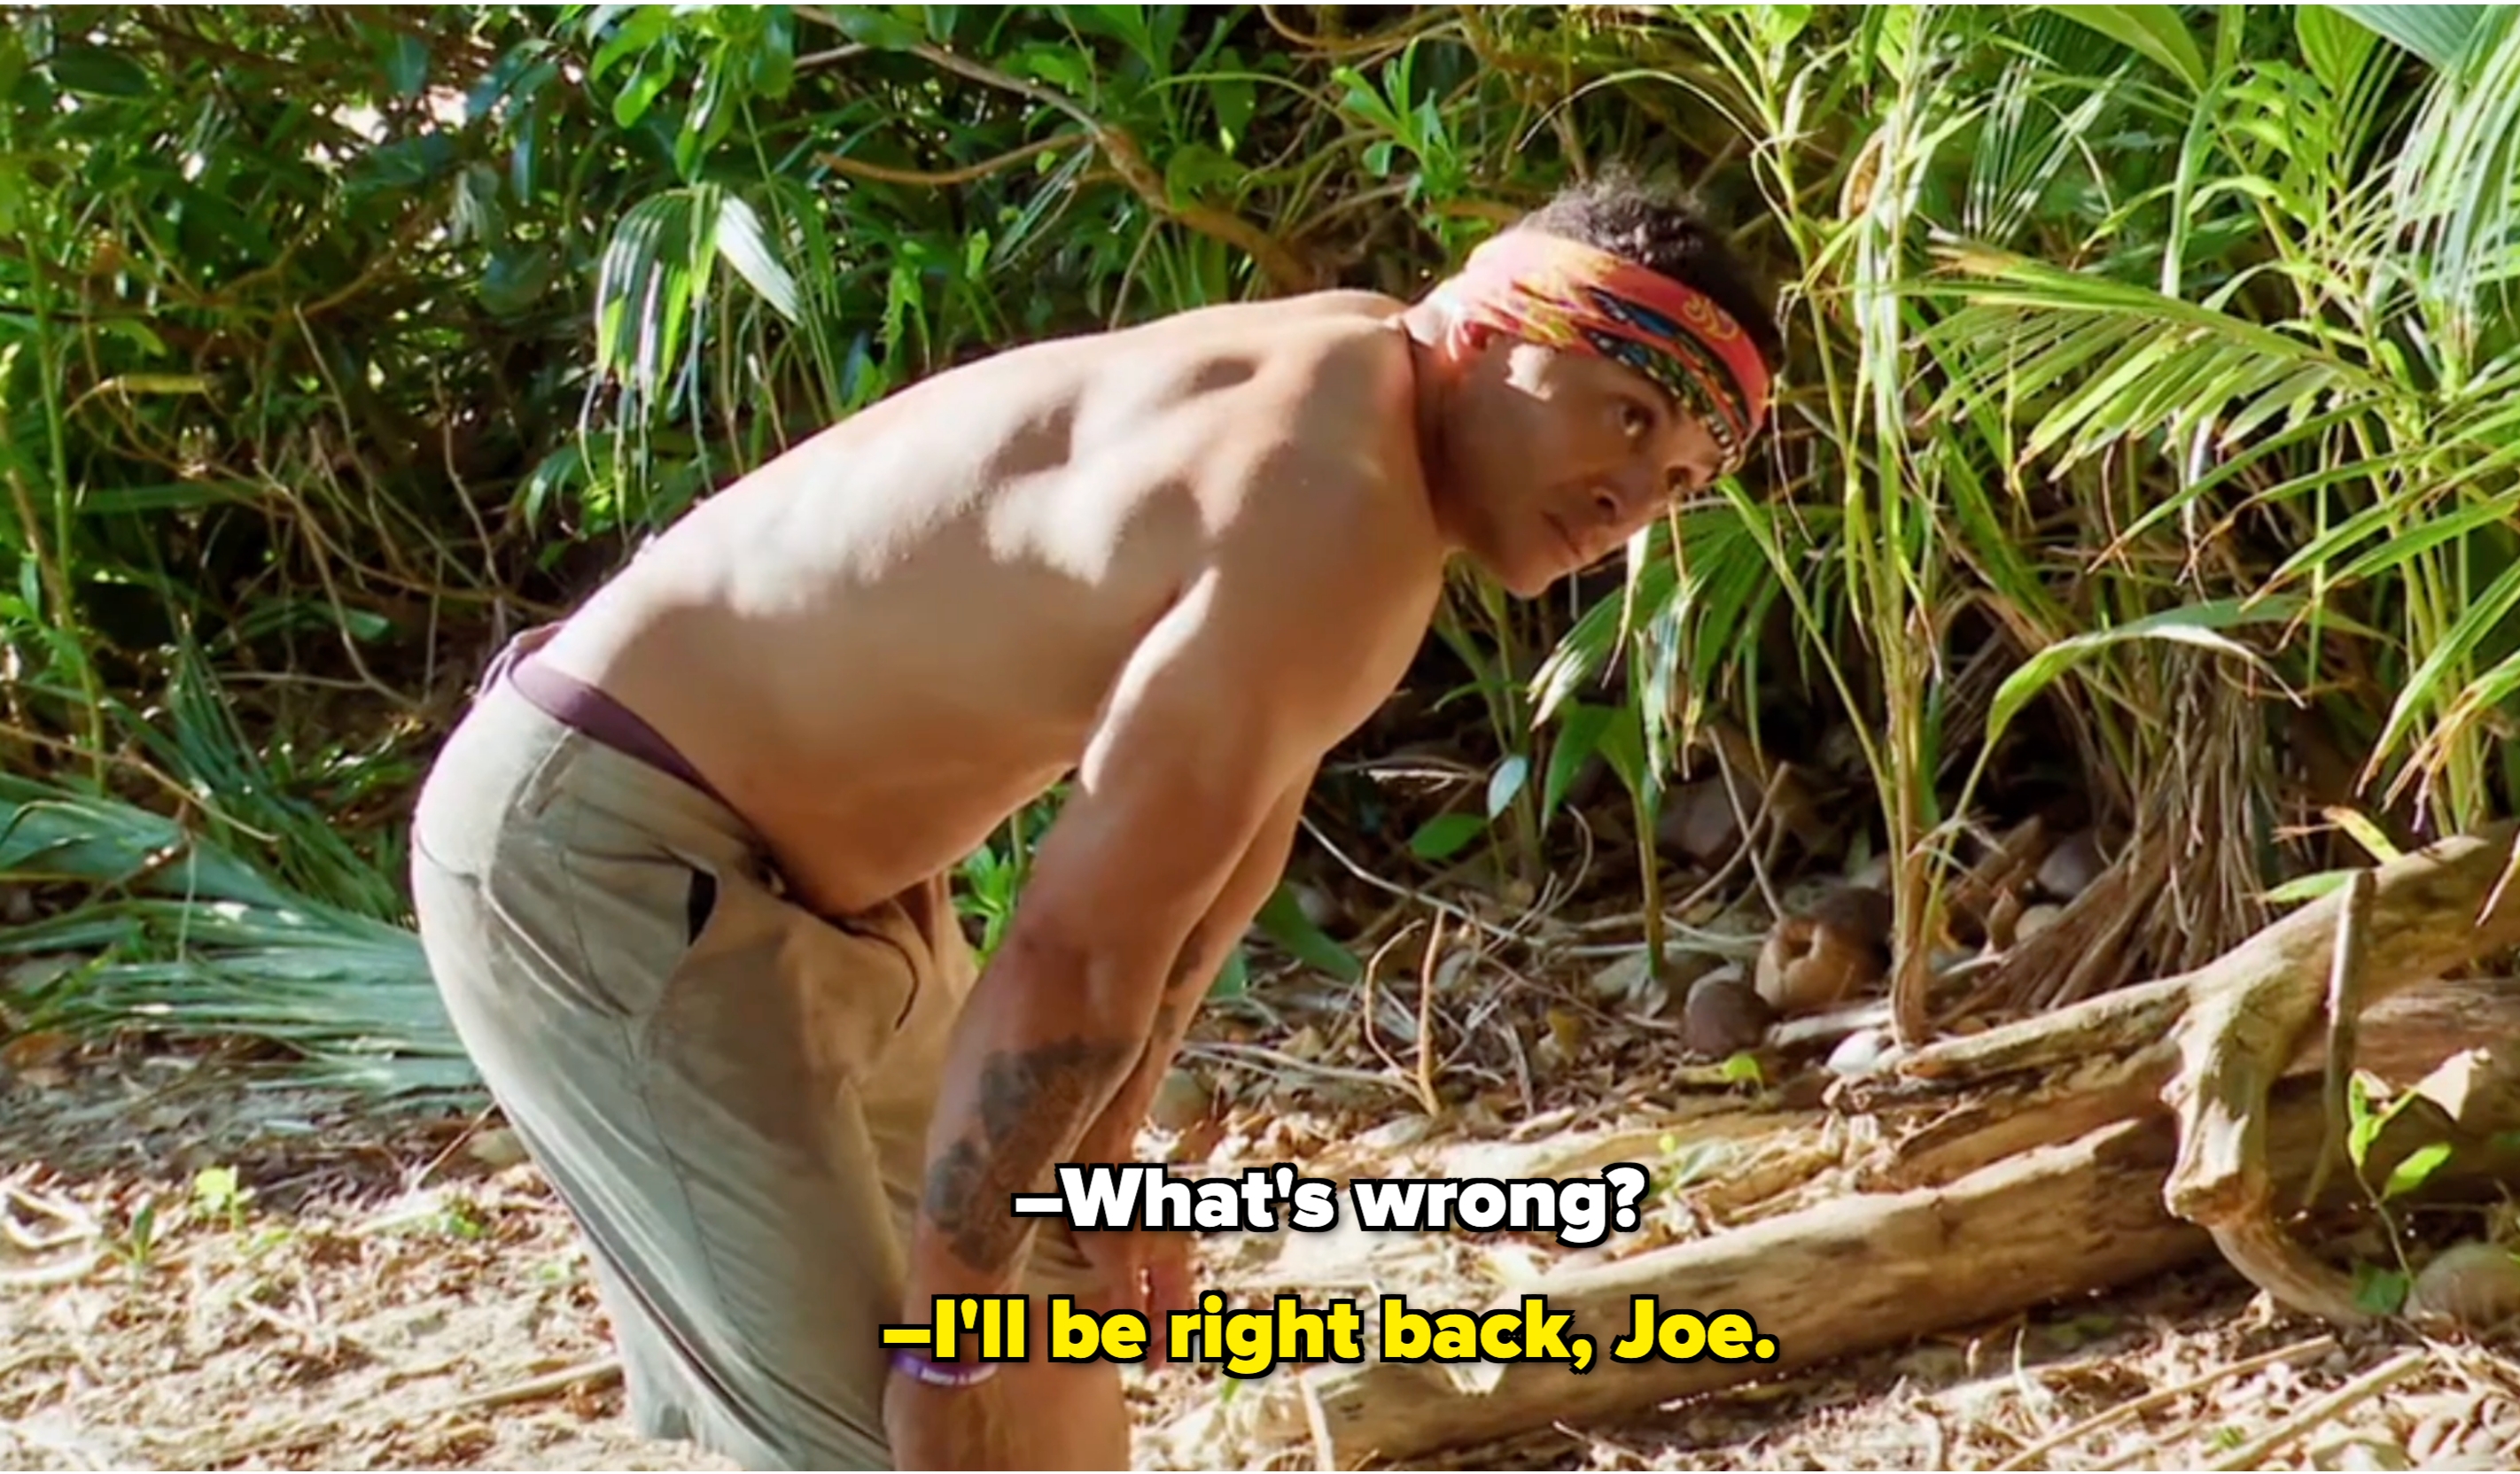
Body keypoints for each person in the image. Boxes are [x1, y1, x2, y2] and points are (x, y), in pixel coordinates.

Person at [406, 173, 1777, 1470]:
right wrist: (944, 1362)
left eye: (1683, 482)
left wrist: (1104, 1175)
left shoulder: (1363, 422)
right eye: (1628, 414)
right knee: (899, 1439)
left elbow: (1216, 878)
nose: (1634, 497)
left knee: (1048, 1335)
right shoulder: (1330, 501)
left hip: (839, 898)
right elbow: (1072, 960)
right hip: (608, 853)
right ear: (1490, 325)